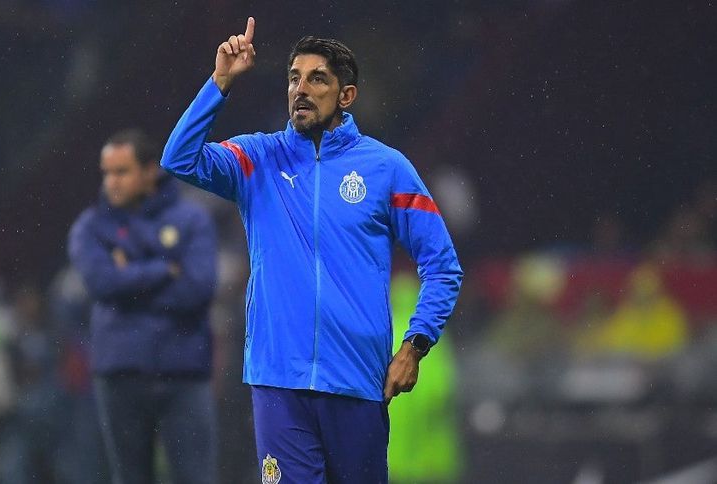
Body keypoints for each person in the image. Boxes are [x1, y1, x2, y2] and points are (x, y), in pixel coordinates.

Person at [160, 18, 463, 484]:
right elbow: (179, 158)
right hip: (278, 381)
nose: (301, 89)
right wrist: (220, 81)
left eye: (317, 79)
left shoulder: (386, 169)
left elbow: (442, 266)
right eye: (294, 78)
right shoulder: (258, 159)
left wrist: (415, 346)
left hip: (357, 380)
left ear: (346, 95)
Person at [68, 129, 218, 484]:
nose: (112, 182)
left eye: (122, 172)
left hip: (183, 371)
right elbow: (102, 284)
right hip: (122, 374)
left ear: (150, 170)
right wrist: (163, 270)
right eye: (107, 172)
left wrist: (129, 278)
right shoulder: (91, 227)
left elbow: (197, 290)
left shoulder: (191, 219)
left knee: (197, 478)